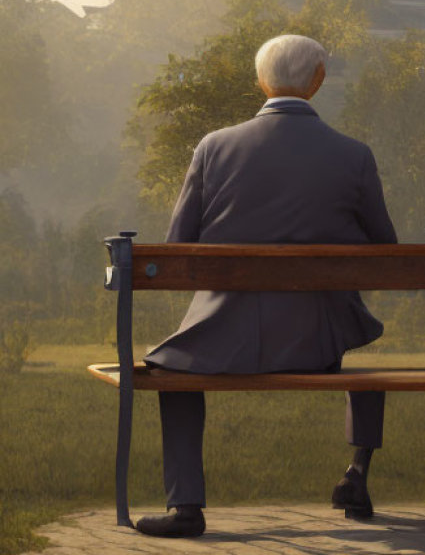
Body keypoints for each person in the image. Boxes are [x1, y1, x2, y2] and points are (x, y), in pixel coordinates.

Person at [135, 34, 397, 538]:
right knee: (369, 370)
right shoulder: (354, 155)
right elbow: (384, 248)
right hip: (315, 342)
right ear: (318, 80)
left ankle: (185, 506)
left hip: (217, 341)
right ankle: (357, 474)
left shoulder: (215, 146)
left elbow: (177, 248)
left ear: (260, 81)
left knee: (169, 374)